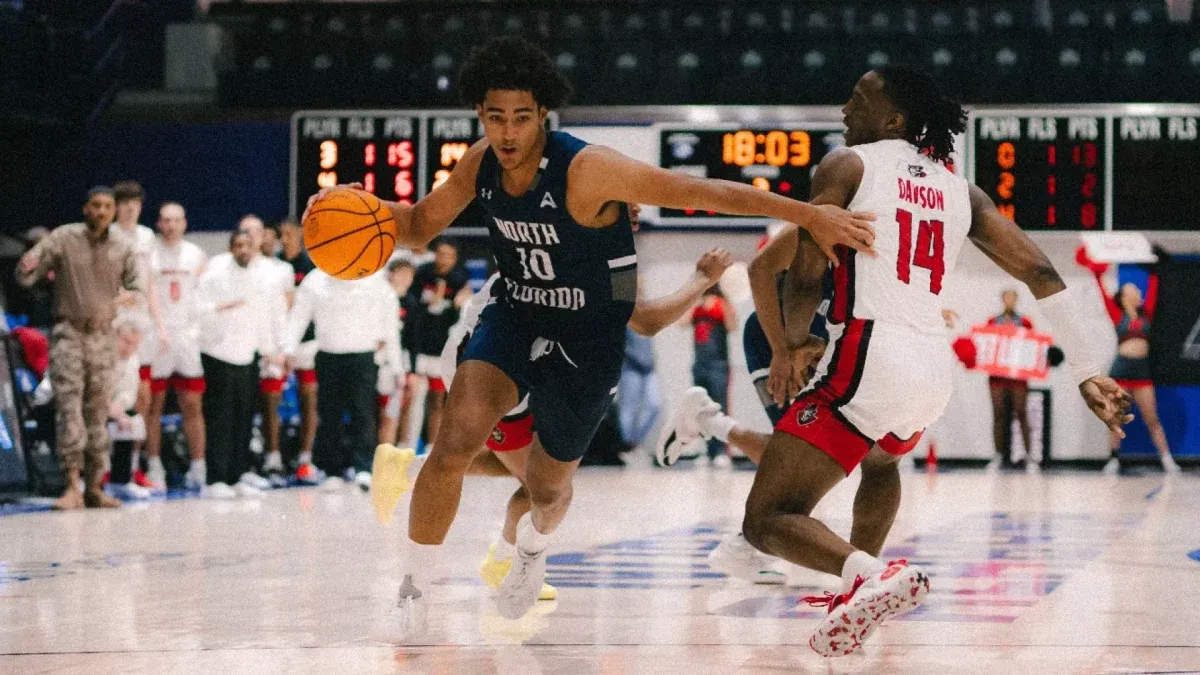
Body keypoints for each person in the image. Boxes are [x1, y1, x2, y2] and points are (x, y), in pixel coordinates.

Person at [305, 35, 874, 633]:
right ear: (479, 114)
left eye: (521, 117)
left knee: (548, 492)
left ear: (543, 115)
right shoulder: (480, 162)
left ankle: (529, 553)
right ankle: (414, 591)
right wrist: (349, 206)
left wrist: (810, 214)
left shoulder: (588, 168)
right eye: (495, 116)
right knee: (455, 441)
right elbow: (418, 225)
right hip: (516, 314)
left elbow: (697, 192)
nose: (507, 131)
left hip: (589, 337)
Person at [734, 66, 1131, 658]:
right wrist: (1085, 371)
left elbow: (806, 273)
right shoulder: (959, 190)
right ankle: (856, 604)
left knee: (767, 519)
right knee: (882, 467)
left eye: (859, 97)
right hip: (929, 369)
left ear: (893, 119)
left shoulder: (848, 165)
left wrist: (790, 347)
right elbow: (1041, 273)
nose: (845, 108)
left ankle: (867, 575)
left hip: (867, 353)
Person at [16, 186, 143, 509]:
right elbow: (27, 274)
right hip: (69, 334)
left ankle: (95, 487)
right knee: (69, 409)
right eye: (96, 206)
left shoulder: (122, 246)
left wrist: (130, 296)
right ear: (86, 208)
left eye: (107, 207)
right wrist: (29, 265)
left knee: (98, 413)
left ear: (114, 212)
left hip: (103, 336)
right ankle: (72, 485)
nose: (101, 212)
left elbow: (137, 286)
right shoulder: (64, 238)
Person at [286, 268, 401, 491]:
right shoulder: (316, 279)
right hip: (329, 354)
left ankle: (364, 468)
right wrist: (288, 348)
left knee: (363, 413)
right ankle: (331, 470)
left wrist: (397, 367)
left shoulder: (375, 281)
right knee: (329, 414)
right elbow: (300, 316)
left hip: (363, 356)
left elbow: (390, 327)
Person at [197, 232, 286, 499]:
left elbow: (268, 315)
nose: (244, 250)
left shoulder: (263, 279)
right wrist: (218, 308)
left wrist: (272, 350)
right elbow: (198, 307)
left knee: (244, 418)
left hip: (248, 355)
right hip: (218, 354)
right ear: (230, 248)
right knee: (221, 418)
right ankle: (216, 478)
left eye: (248, 246)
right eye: (238, 246)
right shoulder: (215, 275)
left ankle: (237, 475)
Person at [1077, 247, 1179, 474]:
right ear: (1124, 296)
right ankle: (1113, 459)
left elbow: (1154, 288)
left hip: (1142, 371)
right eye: (1133, 289)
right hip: (1121, 369)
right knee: (1115, 416)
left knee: (1152, 417)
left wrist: (1155, 267)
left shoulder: (1147, 313)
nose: (1137, 291)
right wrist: (1096, 273)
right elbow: (1102, 293)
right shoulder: (1117, 314)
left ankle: (1167, 460)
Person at [144, 202, 209, 491]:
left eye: (176, 220)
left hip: (186, 338)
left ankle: (198, 466)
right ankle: (153, 465)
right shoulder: (150, 254)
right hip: (157, 337)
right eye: (166, 220)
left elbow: (203, 298)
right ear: (159, 224)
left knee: (192, 404)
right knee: (152, 406)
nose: (171, 225)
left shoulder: (197, 255)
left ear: (184, 223)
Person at [110, 180, 167, 492]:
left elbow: (151, 285)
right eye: (125, 201)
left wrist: (160, 325)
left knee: (141, 396)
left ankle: (131, 467)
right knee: (112, 393)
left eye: (135, 202)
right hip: (117, 324)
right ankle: (107, 468)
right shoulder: (109, 235)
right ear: (117, 206)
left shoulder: (146, 237)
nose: (130, 207)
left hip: (142, 324)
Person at [404, 237, 471, 453]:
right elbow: (412, 308)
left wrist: (452, 304)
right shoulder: (422, 273)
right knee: (413, 399)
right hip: (419, 346)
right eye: (440, 254)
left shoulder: (460, 279)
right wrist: (431, 304)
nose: (443, 259)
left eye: (448, 256)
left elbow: (460, 316)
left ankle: (432, 447)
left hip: (442, 349)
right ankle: (407, 445)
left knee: (437, 401)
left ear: (455, 258)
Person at [278, 219, 320, 481]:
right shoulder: (276, 266)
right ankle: (273, 458)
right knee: (270, 402)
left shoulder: (312, 268)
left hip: (307, 343)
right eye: (281, 234)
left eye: (289, 234)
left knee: (309, 399)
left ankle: (305, 458)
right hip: (277, 342)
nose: (284, 239)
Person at [986, 289, 1036, 470]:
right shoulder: (993, 322)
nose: (1010, 301)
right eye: (1007, 298)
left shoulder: (1024, 323)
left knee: (1021, 413)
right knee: (998, 414)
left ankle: (1029, 456)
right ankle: (998, 455)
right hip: (997, 376)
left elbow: (1032, 347)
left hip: (1018, 376)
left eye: (1013, 298)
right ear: (1002, 300)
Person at [689, 286, 738, 466]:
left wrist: (724, 303)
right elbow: (683, 322)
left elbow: (732, 326)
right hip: (700, 364)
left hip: (718, 364)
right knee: (701, 409)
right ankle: (707, 451)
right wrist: (694, 298)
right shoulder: (697, 305)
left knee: (720, 407)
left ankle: (721, 451)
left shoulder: (722, 304)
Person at [105, 317, 152, 501]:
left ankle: (121, 480)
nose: (129, 348)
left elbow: (128, 392)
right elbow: (93, 391)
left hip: (111, 408)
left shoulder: (133, 361)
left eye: (135, 344)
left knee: (133, 420)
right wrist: (110, 410)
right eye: (125, 341)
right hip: (89, 406)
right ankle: (85, 479)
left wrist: (119, 409)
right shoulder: (102, 356)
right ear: (115, 337)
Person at [380, 259, 416, 447]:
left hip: (399, 360)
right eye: (401, 273)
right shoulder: (380, 297)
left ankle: (396, 450)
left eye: (408, 275)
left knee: (395, 409)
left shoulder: (411, 302)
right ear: (391, 274)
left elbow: (414, 338)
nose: (404, 279)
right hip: (377, 359)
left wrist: (411, 370)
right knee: (377, 409)